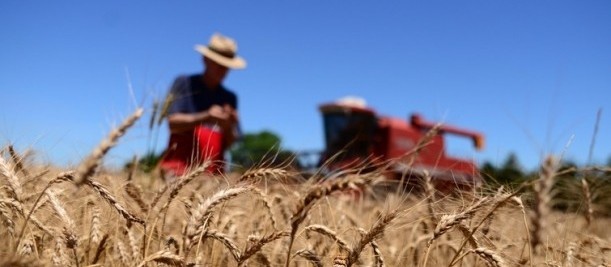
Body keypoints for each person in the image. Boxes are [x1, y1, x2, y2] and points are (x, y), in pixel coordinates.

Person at [159, 33, 246, 179]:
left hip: (213, 177)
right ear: (205, 59)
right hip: (178, 172)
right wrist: (207, 116)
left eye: (226, 66)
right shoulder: (185, 83)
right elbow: (172, 123)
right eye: (218, 64)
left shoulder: (230, 98)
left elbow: (230, 143)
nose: (222, 70)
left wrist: (228, 126)